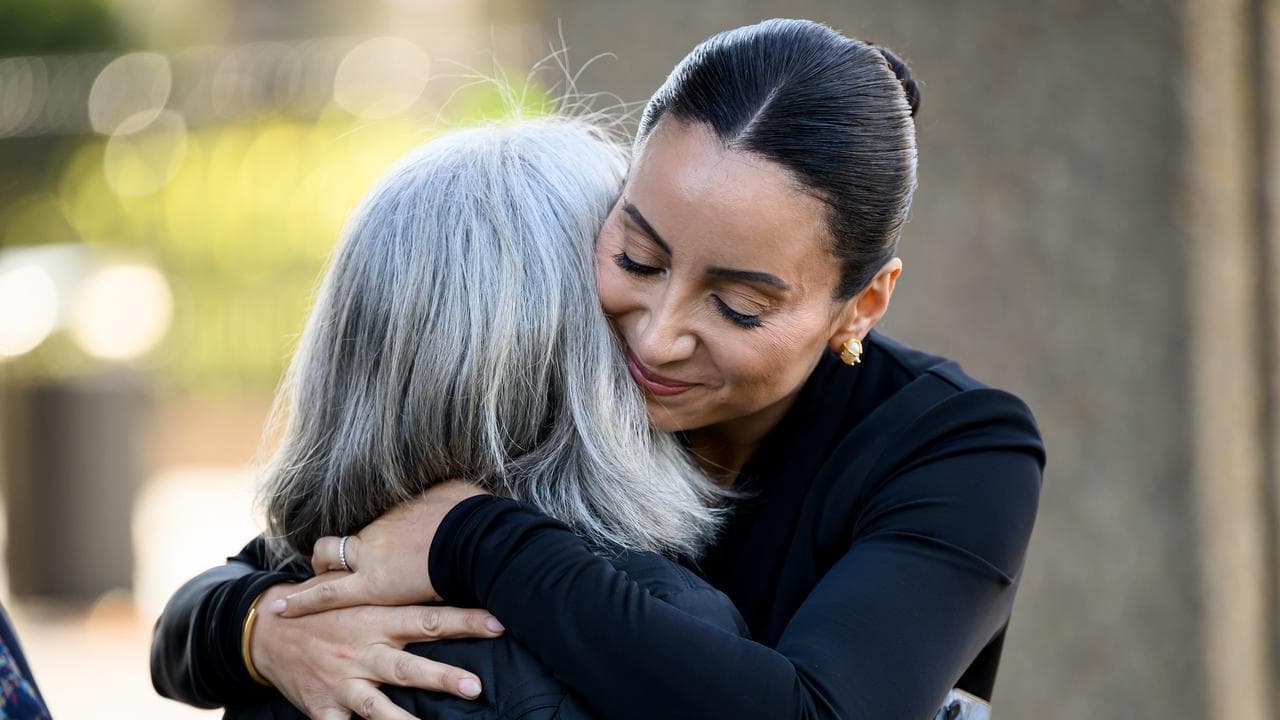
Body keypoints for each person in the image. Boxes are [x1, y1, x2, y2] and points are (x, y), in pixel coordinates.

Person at [153, 18, 1044, 720]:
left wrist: (480, 540)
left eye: (738, 307)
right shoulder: (574, 363)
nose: (656, 339)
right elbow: (227, 593)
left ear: (864, 302)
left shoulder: (958, 448)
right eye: (639, 257)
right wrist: (257, 629)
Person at [151, 118, 743, 719]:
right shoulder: (681, 631)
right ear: (589, 356)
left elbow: (180, 629)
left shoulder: (316, 586)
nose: (664, 332)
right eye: (642, 266)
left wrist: (257, 628)